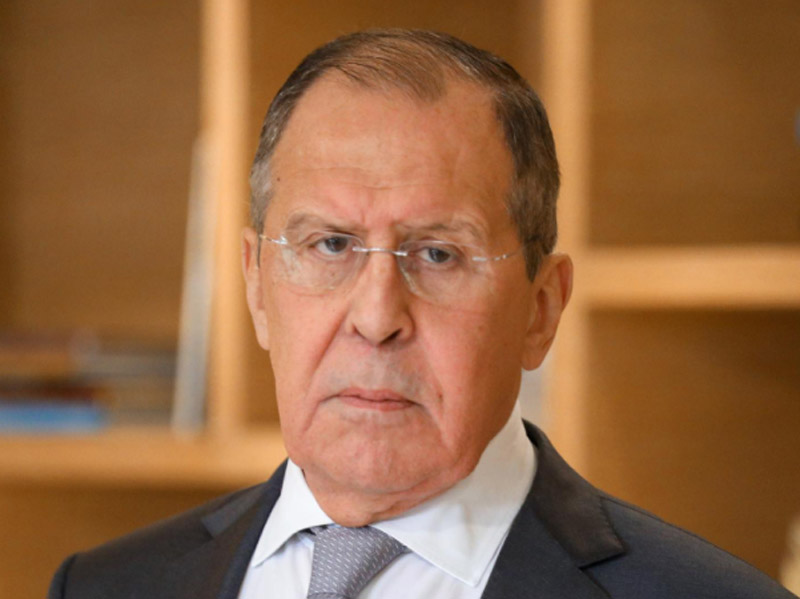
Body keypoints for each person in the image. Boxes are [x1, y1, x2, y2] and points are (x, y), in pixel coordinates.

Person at [48, 29, 795, 599]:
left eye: (438, 254)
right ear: (256, 285)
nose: (377, 318)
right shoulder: (104, 586)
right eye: (331, 244)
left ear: (540, 310)